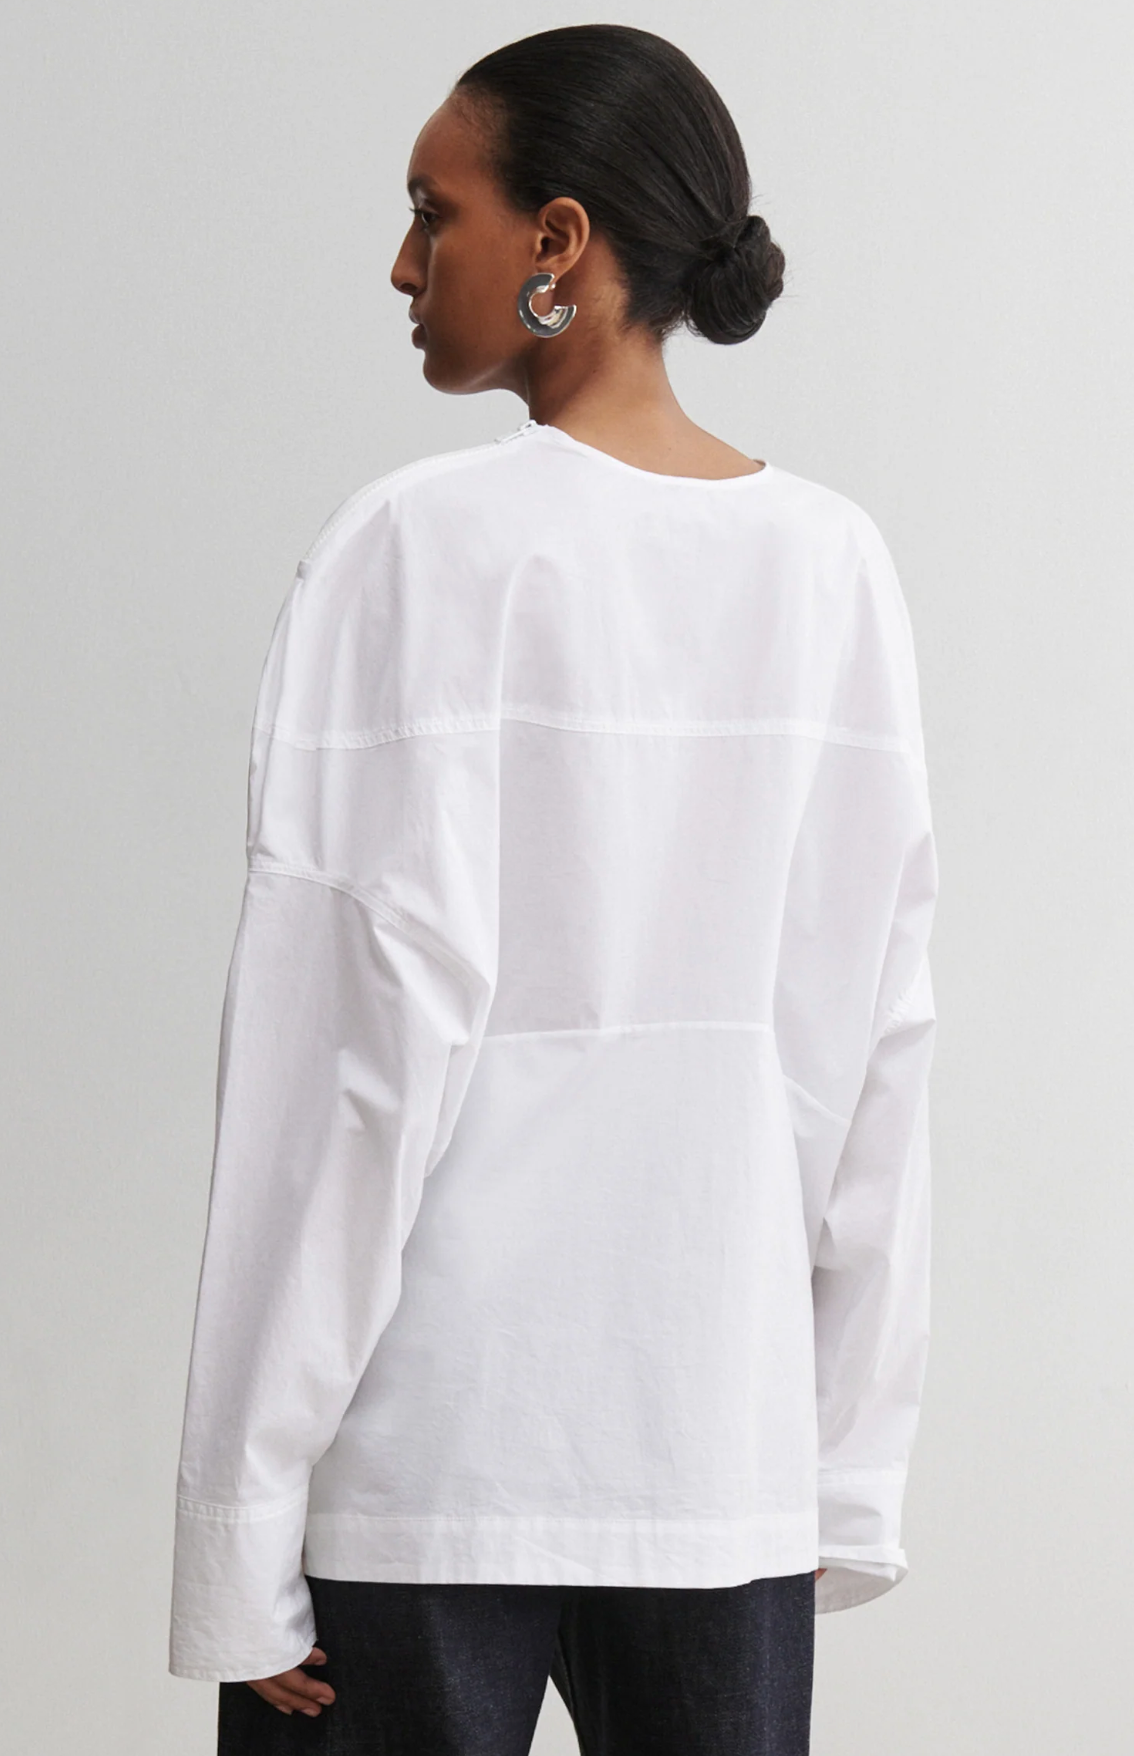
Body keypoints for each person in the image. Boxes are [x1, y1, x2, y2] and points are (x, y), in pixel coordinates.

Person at [168, 24, 938, 1756]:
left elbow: (340, 1064)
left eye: (432, 210)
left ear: (558, 240)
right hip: (718, 1455)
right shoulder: (834, 565)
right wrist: (839, 1464)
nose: (401, 262)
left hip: (422, 1468)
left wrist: (239, 1517)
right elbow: (875, 1051)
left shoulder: (416, 545)